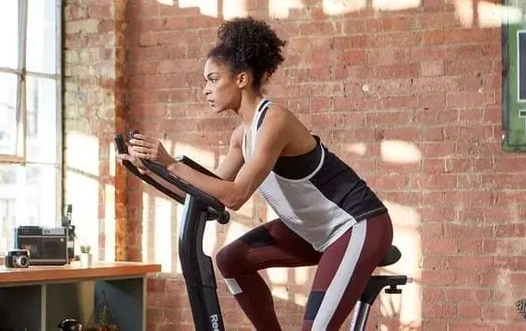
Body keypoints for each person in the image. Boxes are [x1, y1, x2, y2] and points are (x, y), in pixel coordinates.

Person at [117, 16, 395, 331]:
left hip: (356, 225)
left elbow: (235, 195)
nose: (206, 90)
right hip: (312, 231)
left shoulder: (275, 121)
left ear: (241, 79)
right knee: (230, 260)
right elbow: (208, 196)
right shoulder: (241, 135)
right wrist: (149, 169)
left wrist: (170, 163)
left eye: (212, 79)